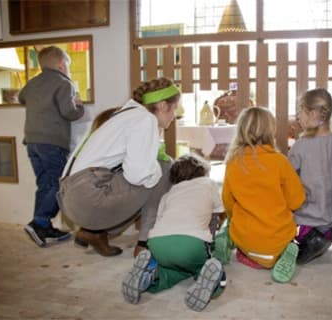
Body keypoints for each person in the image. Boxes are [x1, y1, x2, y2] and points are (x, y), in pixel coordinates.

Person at [57, 77, 180, 257]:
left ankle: (94, 233)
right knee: (165, 166)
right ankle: (145, 244)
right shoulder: (145, 119)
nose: (174, 116)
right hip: (88, 196)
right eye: (174, 109)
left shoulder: (125, 114)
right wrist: (157, 170)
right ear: (162, 106)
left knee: (151, 174)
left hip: (70, 199)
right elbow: (137, 175)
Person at [122, 153, 226, 312]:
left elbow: (159, 221)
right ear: (202, 172)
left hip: (158, 243)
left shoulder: (168, 194)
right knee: (203, 266)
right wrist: (213, 237)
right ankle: (210, 282)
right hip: (192, 243)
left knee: (172, 271)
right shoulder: (208, 184)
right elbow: (218, 215)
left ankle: (151, 275)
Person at [221, 107, 306, 283]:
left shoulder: (234, 163)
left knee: (239, 237)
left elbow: (227, 202)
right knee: (285, 231)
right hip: (278, 235)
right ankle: (282, 252)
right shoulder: (280, 161)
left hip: (246, 236)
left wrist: (232, 218)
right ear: (270, 131)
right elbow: (297, 201)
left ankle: (247, 251)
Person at [19, 46, 85, 247]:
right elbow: (69, 112)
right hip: (52, 143)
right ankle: (38, 221)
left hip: (32, 141)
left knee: (44, 183)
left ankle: (44, 226)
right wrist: (79, 106)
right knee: (58, 183)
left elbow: (21, 98)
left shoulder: (32, 82)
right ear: (62, 64)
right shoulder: (64, 83)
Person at [287, 88, 332, 264]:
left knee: (286, 232)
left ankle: (312, 239)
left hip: (307, 217)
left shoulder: (300, 146)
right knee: (330, 226)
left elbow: (287, 178)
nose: (297, 116)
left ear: (312, 113)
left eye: (299, 111)